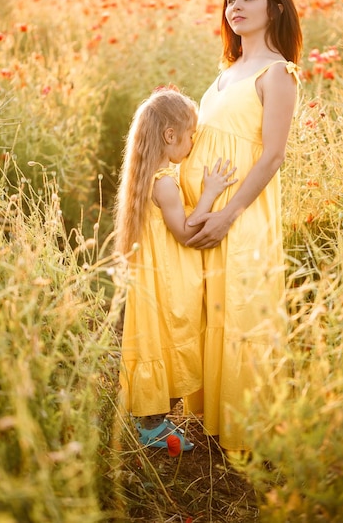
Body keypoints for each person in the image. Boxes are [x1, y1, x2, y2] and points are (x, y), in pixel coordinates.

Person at [180, 0, 303, 452]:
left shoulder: (276, 72)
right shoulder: (226, 70)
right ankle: (210, 425)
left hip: (241, 215)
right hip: (207, 209)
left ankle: (247, 439)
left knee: (242, 314)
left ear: (274, 7)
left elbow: (273, 154)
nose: (236, 6)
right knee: (209, 311)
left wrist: (229, 213)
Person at [114, 87, 237, 451]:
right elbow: (185, 232)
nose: (192, 143)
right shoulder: (165, 183)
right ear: (170, 136)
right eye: (190, 136)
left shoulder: (150, 175)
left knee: (163, 341)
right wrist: (211, 193)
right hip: (169, 279)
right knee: (168, 341)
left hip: (160, 276)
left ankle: (153, 420)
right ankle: (152, 427)